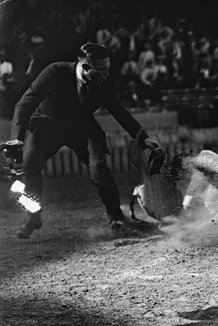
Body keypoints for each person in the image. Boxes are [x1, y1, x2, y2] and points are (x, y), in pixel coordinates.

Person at [2, 43, 163, 239]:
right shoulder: (55, 72)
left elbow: (120, 113)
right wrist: (17, 139)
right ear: (86, 66)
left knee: (99, 168)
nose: (106, 74)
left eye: (108, 68)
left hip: (81, 129)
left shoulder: (103, 85)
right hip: (47, 126)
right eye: (102, 69)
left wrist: (144, 138)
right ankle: (33, 215)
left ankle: (116, 219)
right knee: (29, 165)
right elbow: (24, 104)